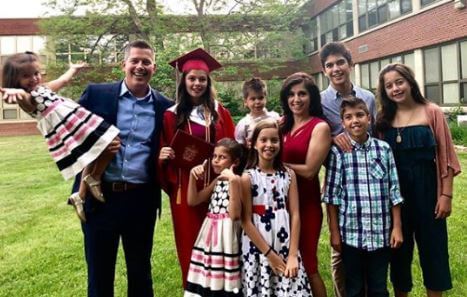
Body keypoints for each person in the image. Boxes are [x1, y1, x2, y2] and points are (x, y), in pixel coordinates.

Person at [75, 40, 172, 297]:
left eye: (146, 62)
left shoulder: (165, 107)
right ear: (124, 65)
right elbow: (71, 132)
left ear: (154, 67)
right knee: (99, 272)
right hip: (100, 197)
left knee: (140, 271)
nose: (140, 66)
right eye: (135, 61)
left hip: (140, 199)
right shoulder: (96, 94)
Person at [0, 51, 118, 222]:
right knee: (108, 142)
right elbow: (22, 97)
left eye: (36, 73)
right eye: (26, 76)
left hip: (76, 119)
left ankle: (81, 194)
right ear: (15, 79)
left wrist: (73, 69)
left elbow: (63, 80)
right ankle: (94, 177)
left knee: (95, 151)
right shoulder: (27, 98)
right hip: (66, 127)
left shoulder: (43, 89)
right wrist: (13, 92)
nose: (33, 78)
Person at [376, 63, 461, 297]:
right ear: (384, 91)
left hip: (428, 193)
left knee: (434, 252)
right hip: (395, 197)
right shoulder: (383, 119)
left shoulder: (432, 111)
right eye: (389, 85)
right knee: (399, 253)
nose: (395, 88)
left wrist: (446, 195)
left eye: (399, 82)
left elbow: (447, 157)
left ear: (410, 82)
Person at [158, 48, 235, 288]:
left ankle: (220, 290)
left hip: (218, 188)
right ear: (184, 81)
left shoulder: (220, 112)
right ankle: (192, 291)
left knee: (220, 243)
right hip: (185, 190)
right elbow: (163, 151)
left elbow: (233, 148)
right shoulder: (171, 116)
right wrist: (162, 156)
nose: (197, 83)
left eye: (202, 79)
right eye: (192, 78)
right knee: (189, 243)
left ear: (208, 81)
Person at [323, 96, 404, 297]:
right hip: (351, 236)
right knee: (354, 288)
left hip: (381, 234)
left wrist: (397, 227)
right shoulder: (338, 153)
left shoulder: (383, 149)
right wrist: (334, 232)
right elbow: (332, 197)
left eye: (360, 115)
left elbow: (394, 191)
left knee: (378, 288)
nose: (355, 120)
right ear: (343, 123)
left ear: (369, 118)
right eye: (348, 117)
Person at [319, 41, 377, 297]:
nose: (336, 69)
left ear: (351, 64)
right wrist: (331, 137)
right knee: (340, 248)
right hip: (338, 182)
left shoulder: (368, 98)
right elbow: (310, 131)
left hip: (367, 183)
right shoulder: (319, 102)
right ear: (324, 71)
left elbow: (373, 136)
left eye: (340, 62)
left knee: (369, 244)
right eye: (330, 65)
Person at [240, 119, 312, 296]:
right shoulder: (247, 178)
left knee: (291, 288)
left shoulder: (288, 175)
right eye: (263, 140)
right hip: (258, 247)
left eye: (274, 140)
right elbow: (245, 220)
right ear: (254, 144)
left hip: (285, 244)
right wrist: (269, 254)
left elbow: (295, 214)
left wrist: (293, 254)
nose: (269, 145)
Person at [280, 72, 331, 297]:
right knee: (283, 263)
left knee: (308, 264)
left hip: (306, 205)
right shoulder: (282, 125)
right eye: (291, 94)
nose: (296, 99)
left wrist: (275, 165)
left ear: (312, 97)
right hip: (279, 206)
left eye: (302, 94)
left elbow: (310, 171)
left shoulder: (319, 127)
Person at [184, 138, 243, 297]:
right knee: (209, 267)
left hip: (227, 233)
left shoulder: (237, 180)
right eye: (214, 156)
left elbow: (235, 214)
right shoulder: (217, 180)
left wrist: (232, 180)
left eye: (222, 157)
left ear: (235, 161)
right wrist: (192, 177)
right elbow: (193, 200)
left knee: (225, 267)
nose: (216, 161)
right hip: (210, 231)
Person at [235, 77, 279, 148]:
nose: (257, 102)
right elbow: (239, 146)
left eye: (261, 98)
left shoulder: (275, 118)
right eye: (253, 99)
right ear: (245, 102)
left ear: (266, 98)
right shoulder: (243, 124)